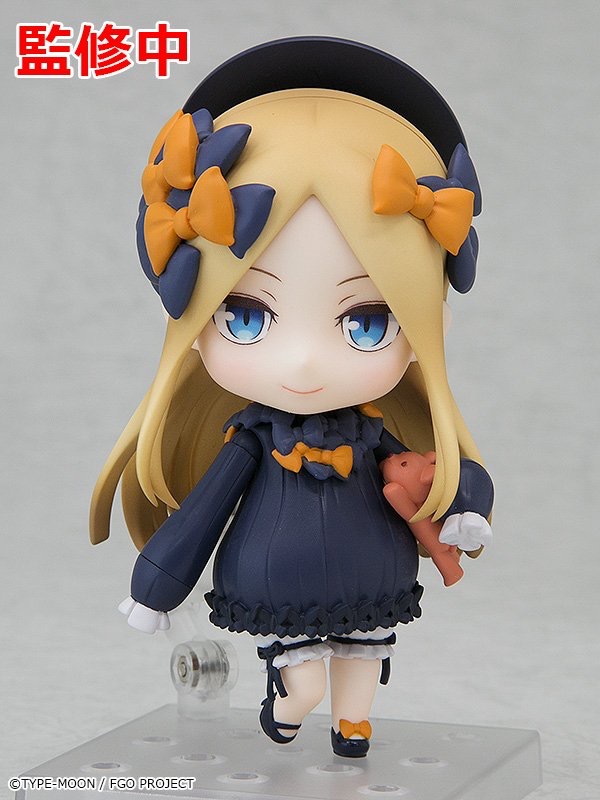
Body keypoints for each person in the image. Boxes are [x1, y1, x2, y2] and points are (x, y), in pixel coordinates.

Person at [90, 38, 494, 758]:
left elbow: (439, 471)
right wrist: (156, 585)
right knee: (305, 678)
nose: (305, 362)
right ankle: (292, 700)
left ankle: (352, 725)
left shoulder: (373, 434)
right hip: (277, 583)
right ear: (191, 323)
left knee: (363, 664)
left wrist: (468, 506)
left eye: (365, 323)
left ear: (425, 330)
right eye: (246, 316)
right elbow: (202, 515)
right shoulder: (252, 440)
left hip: (374, 576)